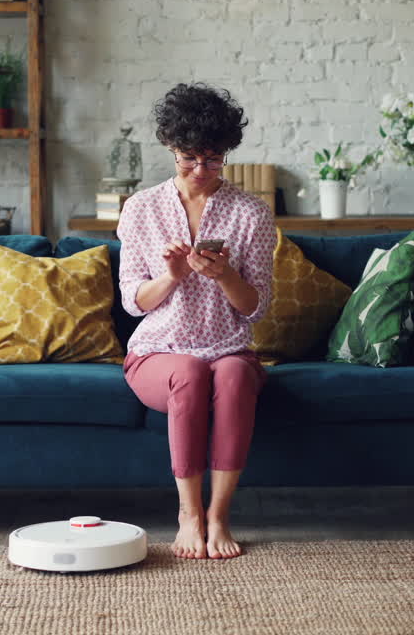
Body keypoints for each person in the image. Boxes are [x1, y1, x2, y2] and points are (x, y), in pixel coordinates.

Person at [116, 83, 277, 559]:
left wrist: (225, 274)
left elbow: (256, 307)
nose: (201, 171)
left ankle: (219, 516)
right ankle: (189, 515)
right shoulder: (141, 209)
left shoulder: (251, 213)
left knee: (231, 374)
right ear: (171, 148)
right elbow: (132, 302)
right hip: (157, 354)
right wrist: (171, 275)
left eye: (213, 160)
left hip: (229, 348)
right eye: (189, 159)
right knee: (188, 372)